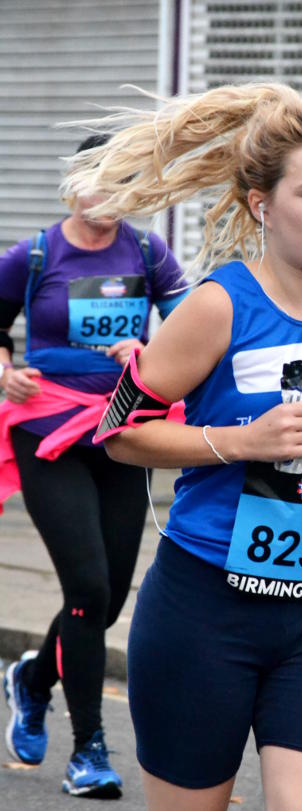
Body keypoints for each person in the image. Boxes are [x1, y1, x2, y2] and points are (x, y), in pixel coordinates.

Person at [65, 84, 302, 811]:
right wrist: (240, 440)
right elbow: (118, 433)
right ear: (261, 205)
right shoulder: (218, 306)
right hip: (205, 609)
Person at [0, 134, 186, 799]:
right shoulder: (35, 255)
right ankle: (88, 749)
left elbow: (191, 323)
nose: (111, 191)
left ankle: (30, 680)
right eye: (99, 178)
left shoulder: (146, 251)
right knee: (86, 586)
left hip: (124, 429)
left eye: (127, 179)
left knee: (105, 600)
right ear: (72, 182)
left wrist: (150, 346)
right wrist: (6, 370)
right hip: (48, 431)